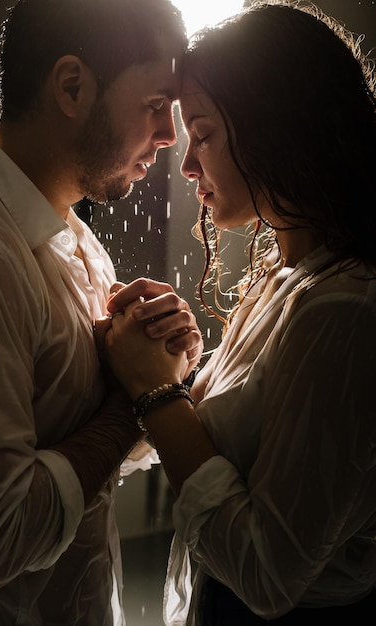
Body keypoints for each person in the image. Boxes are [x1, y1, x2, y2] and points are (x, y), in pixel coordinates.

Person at [101, 1, 376, 624]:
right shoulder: (285, 276)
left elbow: (270, 575)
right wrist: (187, 364)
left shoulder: (347, 310)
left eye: (202, 133)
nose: (188, 163)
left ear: (275, 126)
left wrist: (156, 392)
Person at [0, 0, 204, 624]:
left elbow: (91, 448)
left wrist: (165, 366)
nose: (171, 136)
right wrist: (135, 404)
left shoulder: (74, 237)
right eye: (156, 105)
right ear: (72, 86)